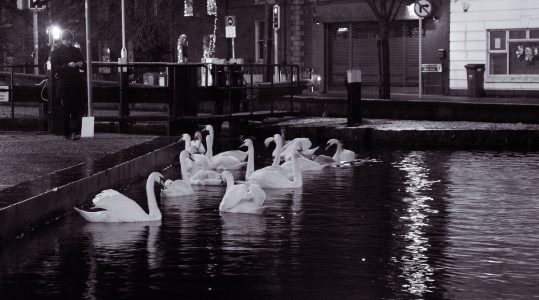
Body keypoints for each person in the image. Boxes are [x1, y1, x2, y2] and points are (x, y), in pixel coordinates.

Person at [50, 29, 85, 140]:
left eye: (70, 40)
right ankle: (67, 132)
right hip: (65, 82)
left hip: (75, 82)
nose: (69, 42)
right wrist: (67, 66)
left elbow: (83, 63)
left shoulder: (75, 50)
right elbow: (55, 68)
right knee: (66, 109)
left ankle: (73, 132)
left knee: (75, 108)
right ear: (63, 40)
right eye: (67, 40)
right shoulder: (56, 52)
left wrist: (81, 64)